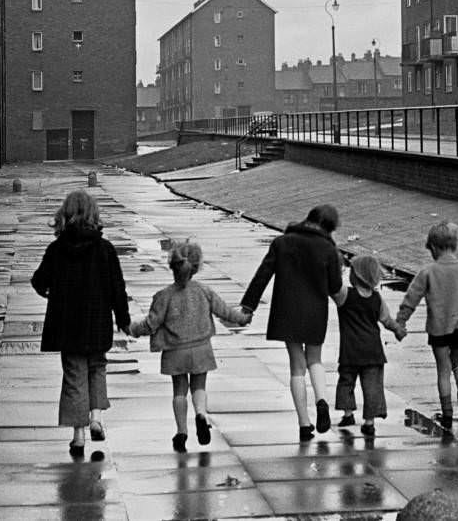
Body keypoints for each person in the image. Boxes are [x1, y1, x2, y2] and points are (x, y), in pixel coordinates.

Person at [31, 190, 130, 460]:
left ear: (64, 215)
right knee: (97, 368)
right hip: (97, 322)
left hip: (67, 325)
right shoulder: (105, 249)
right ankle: (96, 417)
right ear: (93, 215)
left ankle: (78, 436)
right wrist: (123, 318)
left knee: (75, 377)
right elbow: (117, 288)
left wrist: (51, 292)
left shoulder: (57, 249)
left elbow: (39, 281)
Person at [129, 242, 252, 453]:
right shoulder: (204, 291)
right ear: (196, 267)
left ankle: (181, 432)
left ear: (172, 267)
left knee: (179, 391)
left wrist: (133, 329)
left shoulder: (164, 296)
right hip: (201, 348)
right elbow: (224, 312)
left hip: (174, 351)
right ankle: (201, 415)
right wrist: (241, 318)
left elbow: (151, 323)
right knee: (199, 387)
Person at [240, 204, 343, 442]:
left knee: (297, 366)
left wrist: (249, 306)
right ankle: (322, 400)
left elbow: (262, 275)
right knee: (315, 359)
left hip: (287, 310)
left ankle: (304, 425)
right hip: (315, 311)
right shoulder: (327, 248)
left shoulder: (282, 243)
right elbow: (335, 287)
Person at [395, 221, 458, 431]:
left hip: (438, 330)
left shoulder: (427, 272)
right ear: (455, 245)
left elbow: (412, 297)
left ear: (434, 247)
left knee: (443, 370)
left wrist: (401, 320)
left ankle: (448, 413)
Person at [331, 254, 406, 438]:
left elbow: (331, 287)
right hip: (373, 351)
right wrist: (397, 329)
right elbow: (386, 319)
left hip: (350, 351)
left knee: (346, 382)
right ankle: (369, 422)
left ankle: (348, 414)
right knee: (372, 386)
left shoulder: (345, 295)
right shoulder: (377, 299)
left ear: (356, 276)